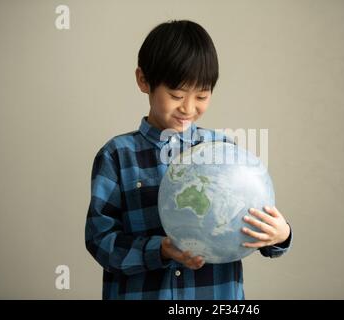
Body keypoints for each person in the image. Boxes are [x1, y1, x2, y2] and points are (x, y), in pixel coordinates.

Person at [85, 19, 292, 300]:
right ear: (143, 80)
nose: (189, 107)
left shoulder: (224, 152)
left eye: (202, 96)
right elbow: (100, 240)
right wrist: (157, 250)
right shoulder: (117, 155)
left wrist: (280, 235)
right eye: (176, 95)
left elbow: (252, 223)